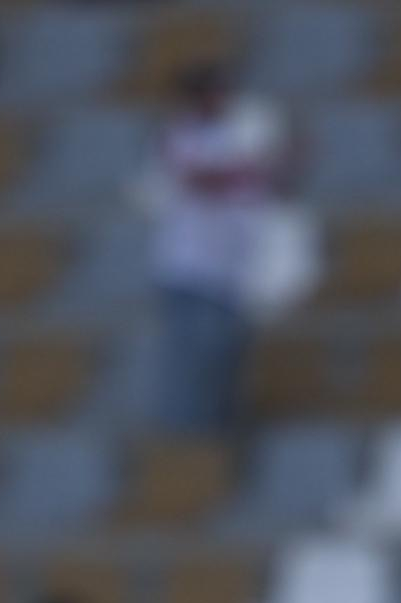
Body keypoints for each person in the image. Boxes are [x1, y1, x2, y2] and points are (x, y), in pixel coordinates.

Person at [145, 61, 285, 435]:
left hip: (230, 273)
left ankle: (213, 440)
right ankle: (185, 442)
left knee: (225, 360)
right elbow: (200, 179)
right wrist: (256, 168)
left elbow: (262, 186)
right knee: (195, 360)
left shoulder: (235, 137)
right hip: (191, 272)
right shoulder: (181, 134)